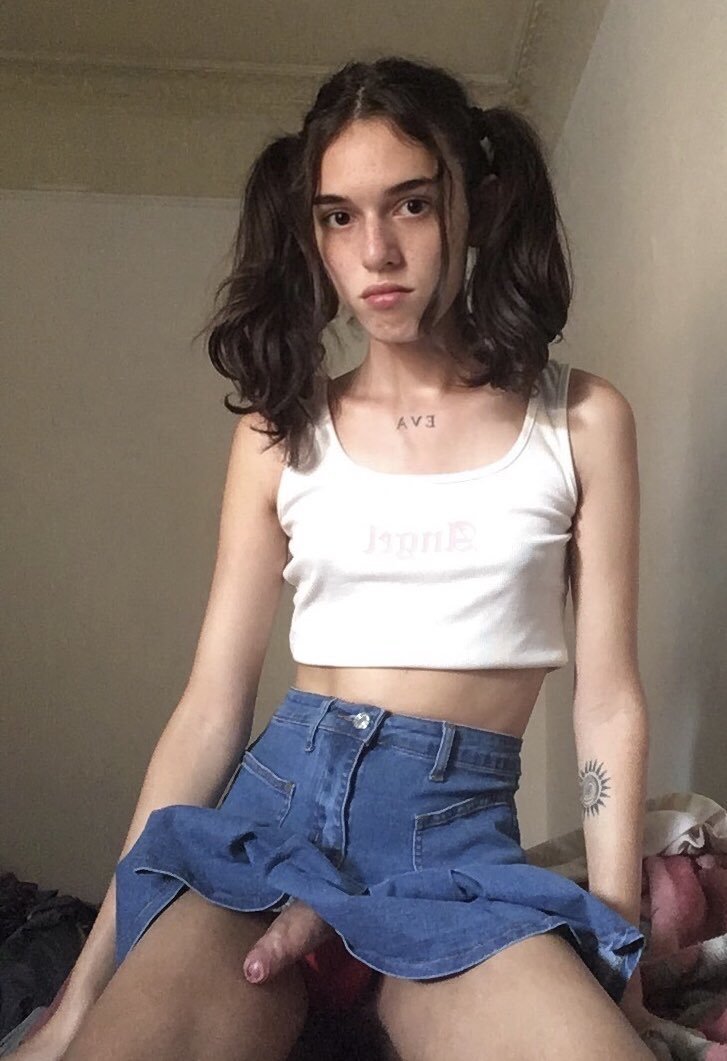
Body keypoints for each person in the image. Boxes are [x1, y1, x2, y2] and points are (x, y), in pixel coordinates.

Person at [15, 56, 657, 1061]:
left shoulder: (578, 420)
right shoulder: (278, 434)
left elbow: (606, 703)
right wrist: (82, 993)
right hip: (270, 827)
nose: (376, 252)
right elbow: (210, 708)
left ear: (478, 199)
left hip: (454, 854)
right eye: (338, 217)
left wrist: (623, 961)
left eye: (411, 203)